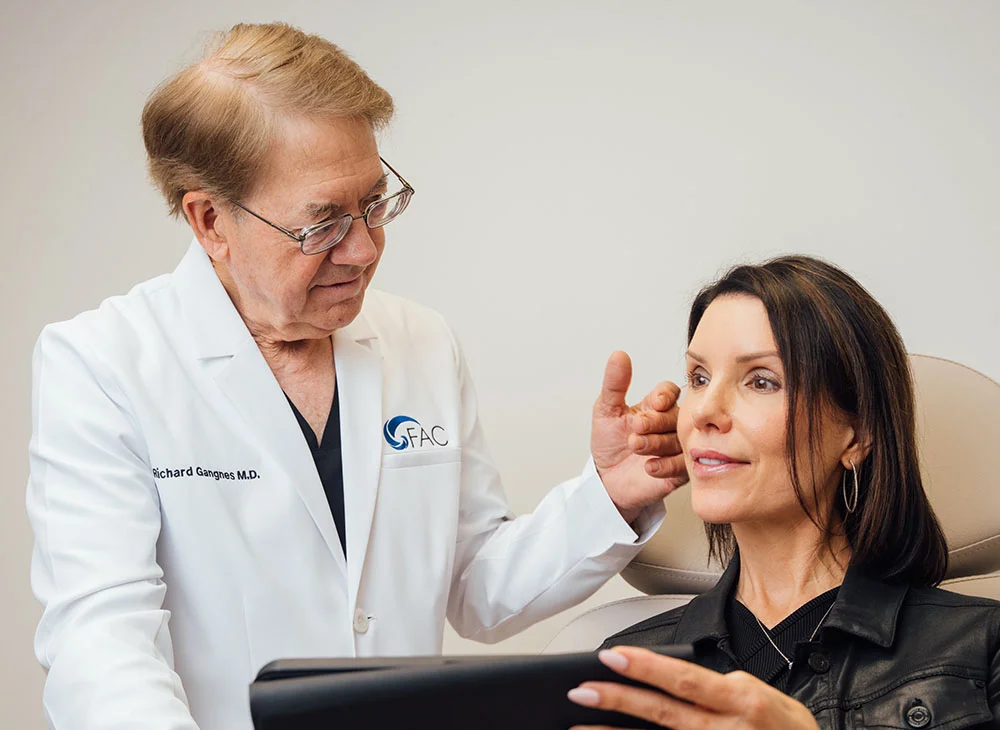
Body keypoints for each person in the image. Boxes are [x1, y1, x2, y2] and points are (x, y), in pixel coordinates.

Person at [25, 22, 688, 730]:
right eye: (322, 225)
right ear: (210, 219)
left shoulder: (420, 342)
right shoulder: (104, 364)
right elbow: (100, 644)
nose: (364, 249)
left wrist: (608, 499)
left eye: (375, 203)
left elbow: (476, 589)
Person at [567, 256, 1000, 729]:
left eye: (761, 381)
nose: (704, 411)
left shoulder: (982, 645)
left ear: (856, 437)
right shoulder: (629, 668)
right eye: (698, 377)